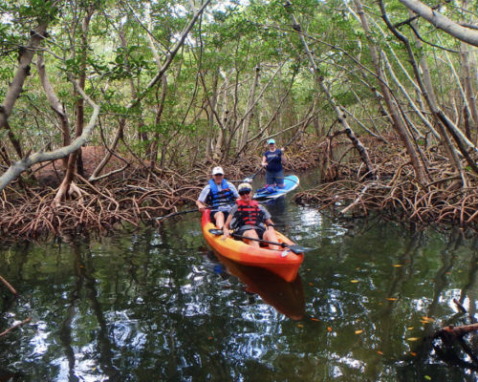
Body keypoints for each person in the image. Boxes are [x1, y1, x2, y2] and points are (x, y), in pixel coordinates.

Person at [222, 183, 280, 250]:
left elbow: (270, 223)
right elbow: (226, 226)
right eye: (242, 193)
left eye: (247, 192)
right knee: (251, 233)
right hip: (244, 233)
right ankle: (257, 253)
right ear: (239, 195)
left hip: (260, 232)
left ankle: (277, 253)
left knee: (270, 233)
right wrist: (225, 231)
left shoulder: (260, 207)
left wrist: (270, 228)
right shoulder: (235, 208)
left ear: (251, 193)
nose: (245, 195)